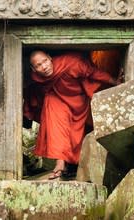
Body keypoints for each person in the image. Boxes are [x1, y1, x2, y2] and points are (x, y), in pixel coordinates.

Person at [23, 50, 120, 180]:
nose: (44, 67)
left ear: (50, 58)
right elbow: (31, 90)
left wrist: (116, 82)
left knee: (78, 134)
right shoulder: (35, 78)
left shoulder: (71, 63)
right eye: (38, 65)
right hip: (58, 100)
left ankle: (74, 164)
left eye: (45, 61)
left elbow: (94, 73)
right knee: (55, 119)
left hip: (78, 99)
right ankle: (60, 163)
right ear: (33, 69)